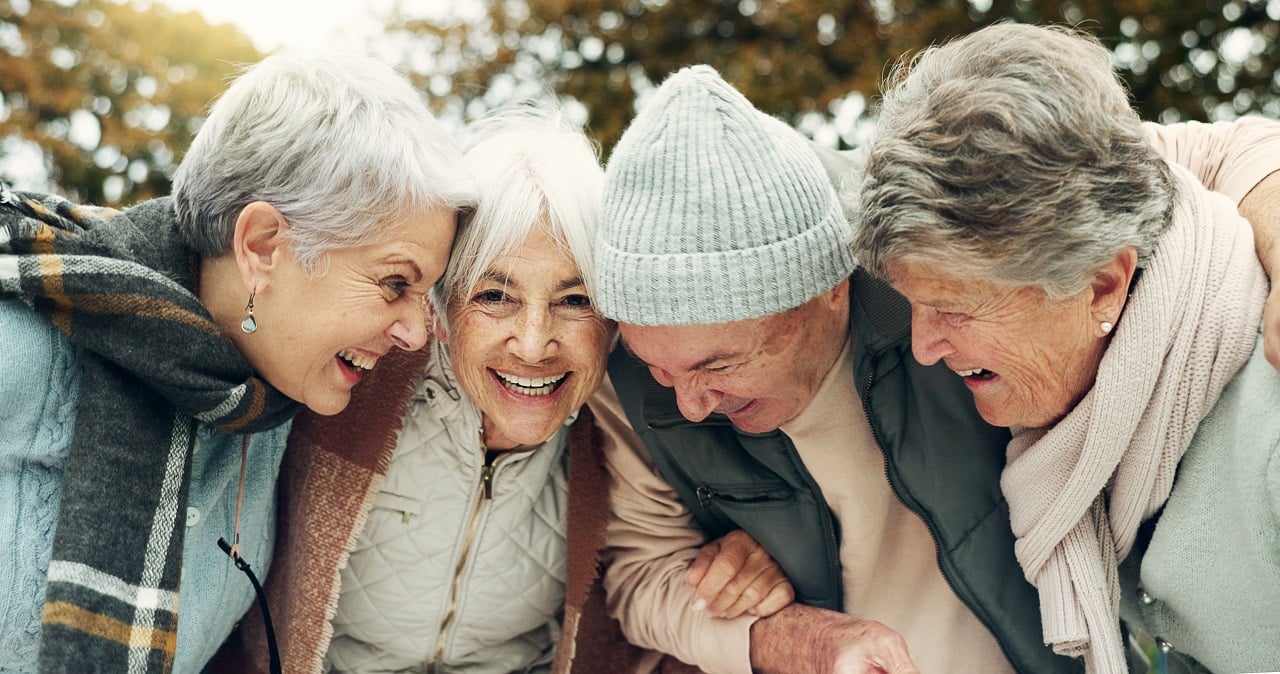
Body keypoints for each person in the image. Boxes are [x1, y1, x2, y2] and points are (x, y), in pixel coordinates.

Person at [589, 61, 1280, 674]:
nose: (688, 407)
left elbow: (1187, 160)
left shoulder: (920, 223)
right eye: (659, 370)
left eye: (719, 364)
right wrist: (778, 633)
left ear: (830, 287)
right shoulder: (625, 363)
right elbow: (642, 573)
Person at [212, 106, 793, 674]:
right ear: (442, 308)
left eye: (575, 300)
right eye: (495, 296)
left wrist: (754, 558)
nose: (534, 344)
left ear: (613, 321)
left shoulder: (635, 424)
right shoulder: (347, 384)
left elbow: (660, 578)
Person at [0, 52, 474, 674]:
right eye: (395, 283)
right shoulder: (21, 346)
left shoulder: (271, 396)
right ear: (261, 246)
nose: (416, 332)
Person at [847, 23, 1279, 674]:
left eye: (954, 309)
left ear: (1102, 286)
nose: (925, 347)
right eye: (914, 305)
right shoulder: (1093, 400)